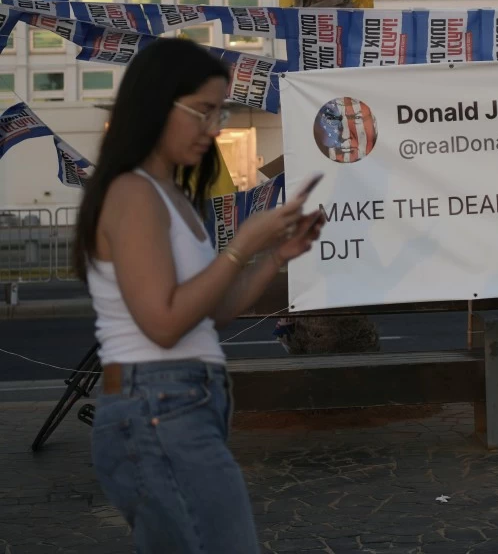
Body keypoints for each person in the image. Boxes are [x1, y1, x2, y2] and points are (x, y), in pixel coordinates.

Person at [74, 38, 324, 553]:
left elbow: (213, 313)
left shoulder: (173, 197)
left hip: (177, 404)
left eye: (221, 112)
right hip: (158, 406)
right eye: (204, 112)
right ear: (158, 104)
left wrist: (273, 255)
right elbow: (164, 324)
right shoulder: (132, 192)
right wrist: (246, 242)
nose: (215, 129)